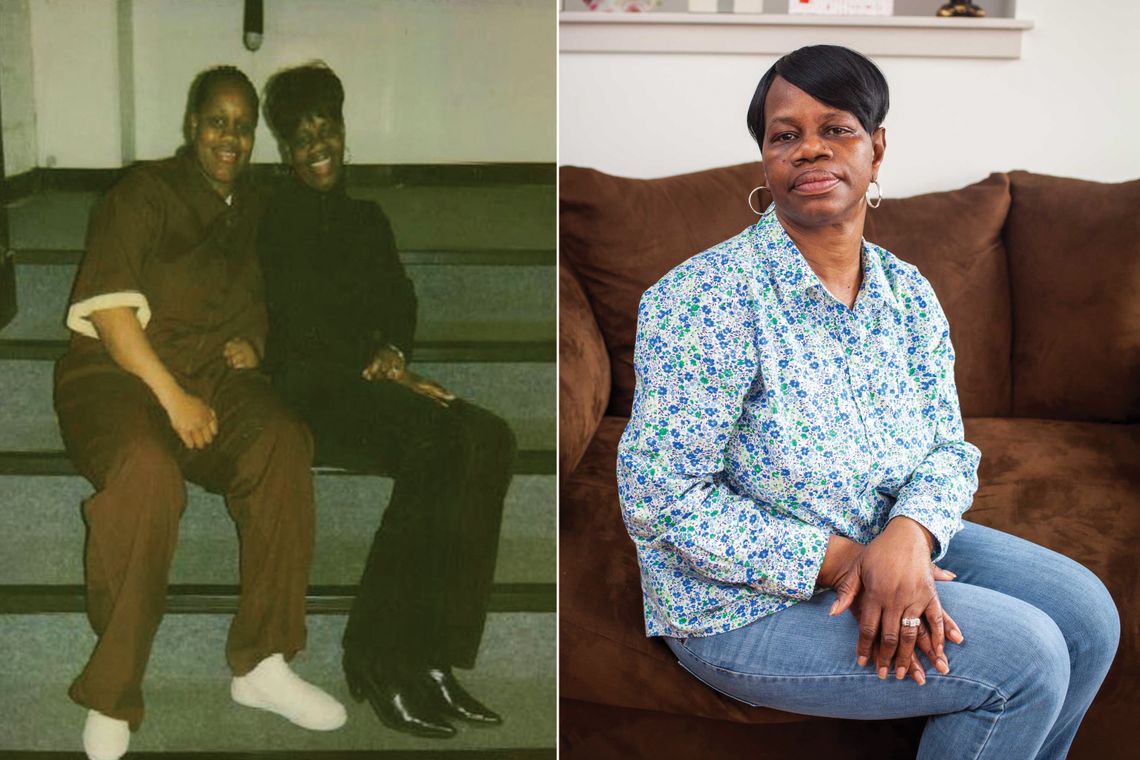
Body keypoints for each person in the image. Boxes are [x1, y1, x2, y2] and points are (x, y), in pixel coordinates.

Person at [616, 45, 1119, 759]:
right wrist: (852, 562)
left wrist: (909, 535)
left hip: (889, 540)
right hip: (744, 599)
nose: (810, 148)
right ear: (764, 159)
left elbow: (950, 445)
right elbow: (661, 498)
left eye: (837, 128)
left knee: (1086, 616)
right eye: (785, 134)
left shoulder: (906, 290)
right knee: (1025, 658)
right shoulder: (704, 296)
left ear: (876, 149)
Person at [54, 66, 346, 760]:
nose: (230, 136)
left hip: (213, 380)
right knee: (148, 476)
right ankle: (113, 692)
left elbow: (288, 289)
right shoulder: (143, 192)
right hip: (116, 376)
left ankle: (264, 663)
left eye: (243, 126)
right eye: (218, 120)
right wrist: (173, 397)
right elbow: (114, 316)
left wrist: (260, 342)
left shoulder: (253, 206)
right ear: (192, 125)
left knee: (280, 440)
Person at [249, 62, 515, 739]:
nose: (318, 147)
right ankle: (376, 651)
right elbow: (295, 324)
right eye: (302, 136)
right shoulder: (277, 218)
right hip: (308, 390)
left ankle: (431, 658)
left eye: (327, 129)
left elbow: (399, 296)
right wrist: (382, 371)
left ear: (342, 131)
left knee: (491, 436)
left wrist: (395, 350)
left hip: (367, 379)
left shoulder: (367, 217)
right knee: (437, 442)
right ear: (284, 146)